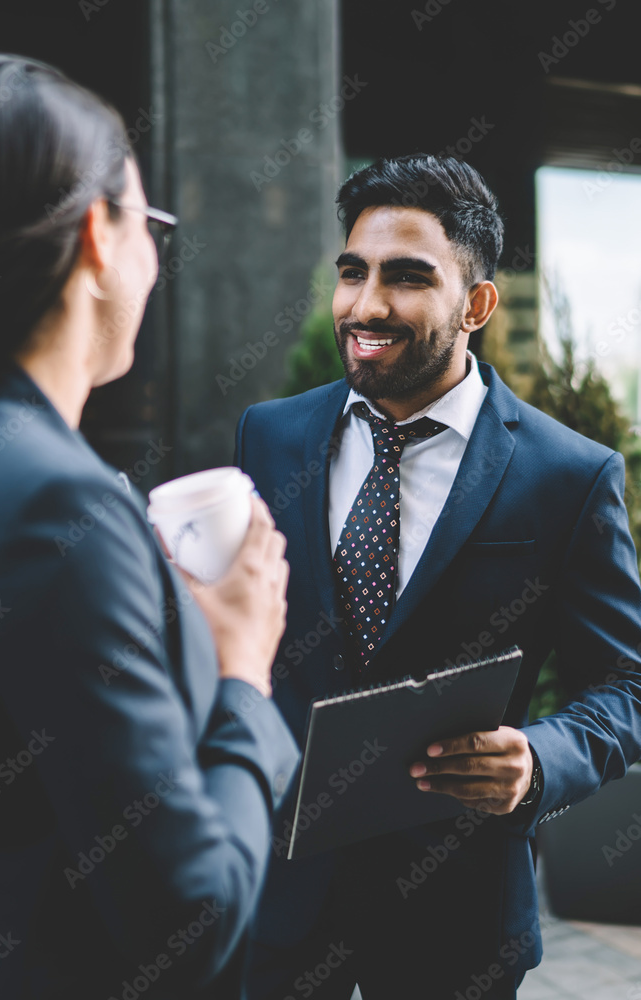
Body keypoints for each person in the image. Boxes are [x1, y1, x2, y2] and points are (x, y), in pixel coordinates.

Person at [0, 53, 299, 1000]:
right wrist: (243, 668)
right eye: (152, 223)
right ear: (101, 235)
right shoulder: (57, 505)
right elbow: (192, 922)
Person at [235, 154, 641, 999]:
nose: (365, 306)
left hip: (455, 921)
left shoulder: (569, 474)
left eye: (407, 278)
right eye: (353, 273)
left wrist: (538, 760)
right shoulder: (268, 437)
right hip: (274, 898)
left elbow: (626, 685)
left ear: (477, 304)